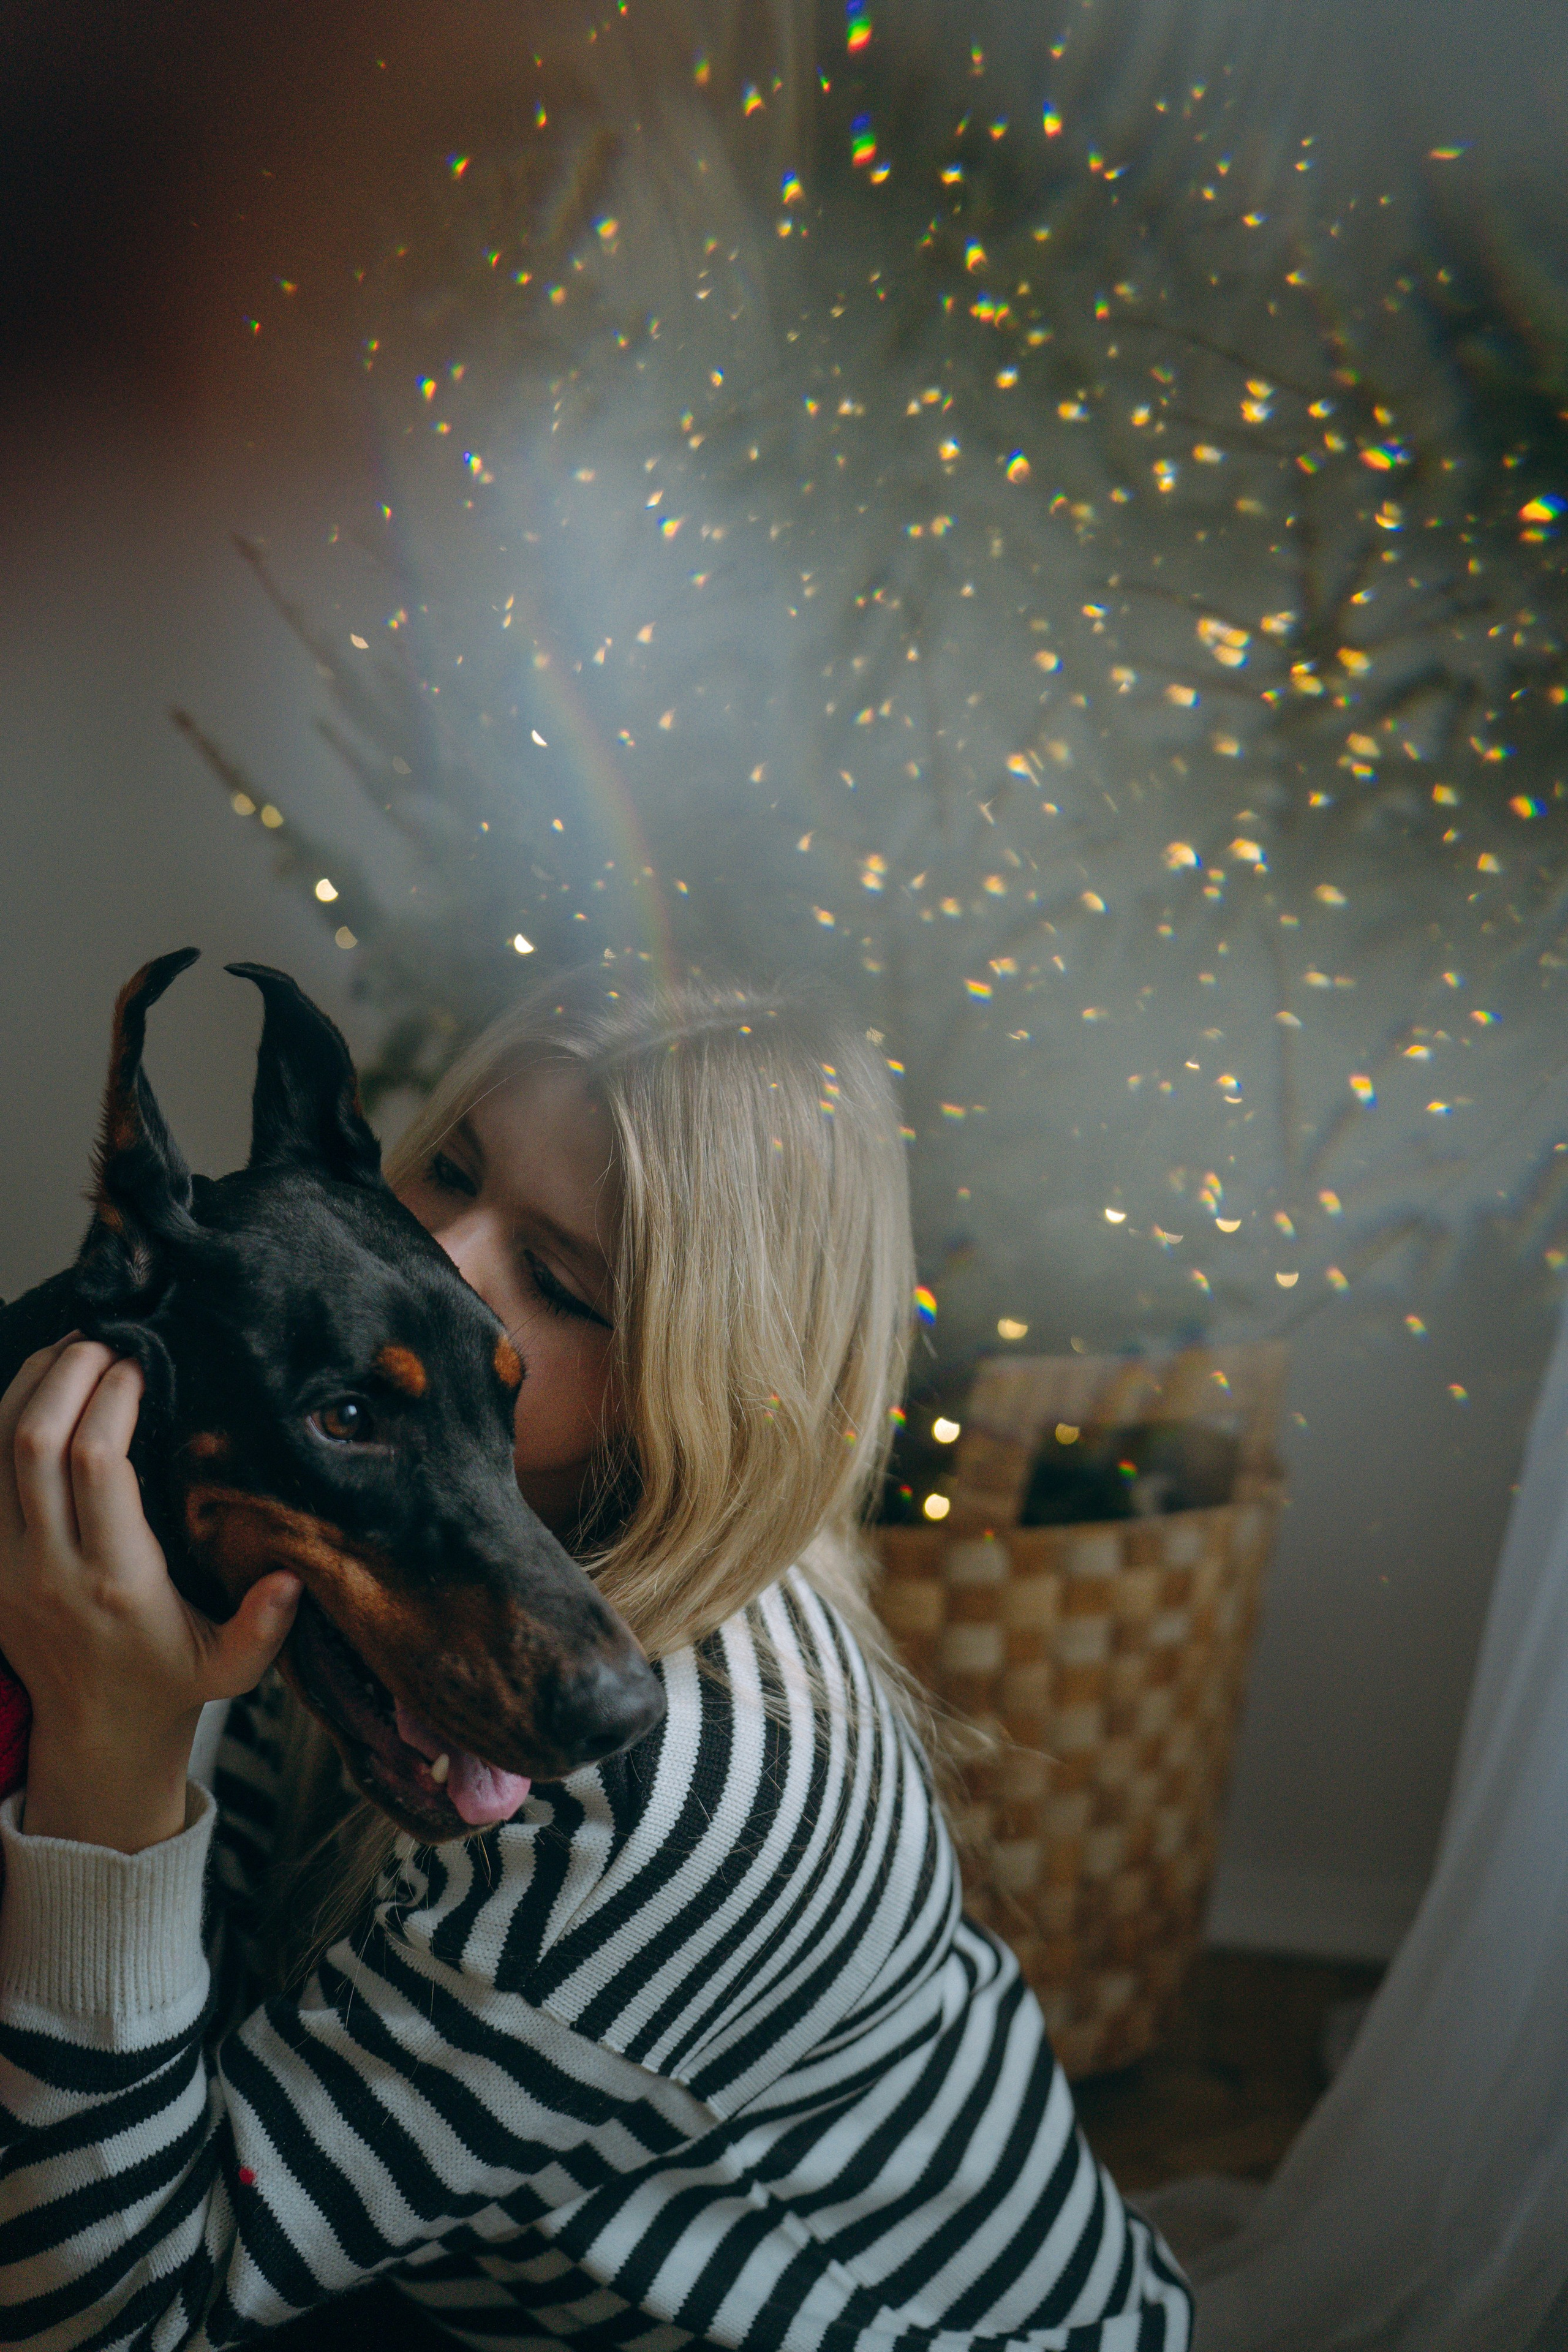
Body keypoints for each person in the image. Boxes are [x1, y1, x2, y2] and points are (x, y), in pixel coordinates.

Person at [0, 970, 1192, 2351]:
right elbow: (217, 1977)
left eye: (557, 1281)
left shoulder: (672, 1780)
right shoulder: (380, 1511)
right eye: (448, 1168)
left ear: (691, 1367)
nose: (437, 1260)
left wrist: (115, 1753)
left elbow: (115, 2321)